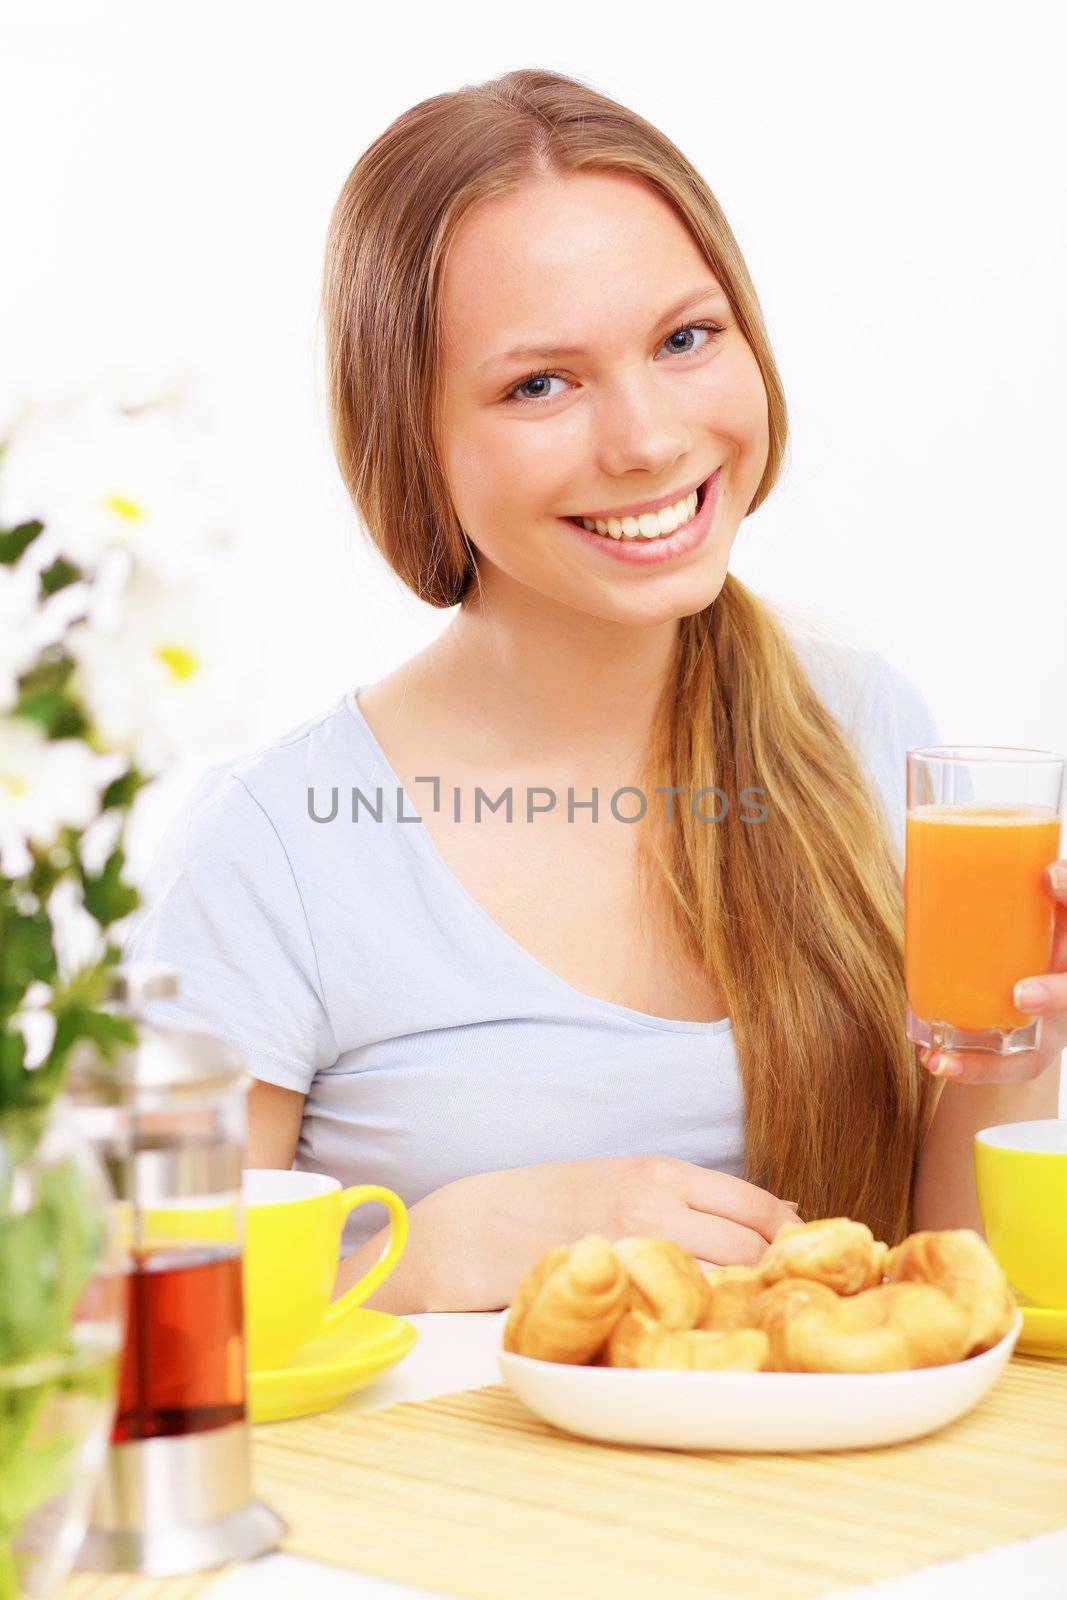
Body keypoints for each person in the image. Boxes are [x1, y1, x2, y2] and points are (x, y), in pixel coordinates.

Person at [123, 68, 1064, 1315]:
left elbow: (935, 1292)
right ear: (413, 436)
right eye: (538, 384)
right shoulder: (276, 845)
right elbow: (140, 1326)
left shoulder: (860, 728)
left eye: (685, 339)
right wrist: (442, 1242)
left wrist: (1015, 1045)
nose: (648, 439)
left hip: (826, 1503)